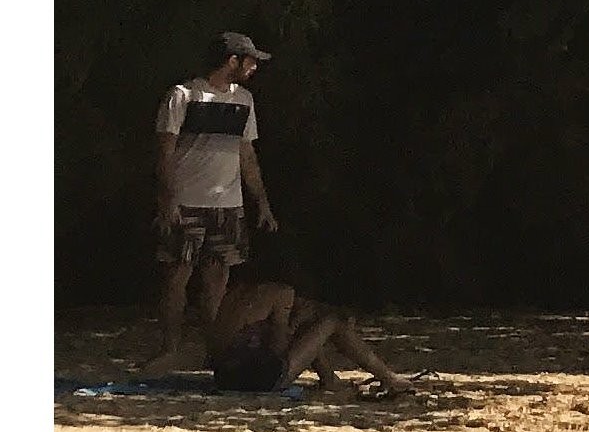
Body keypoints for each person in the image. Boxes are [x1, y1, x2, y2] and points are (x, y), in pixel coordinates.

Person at [153, 32, 279, 371]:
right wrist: (168, 201)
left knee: (217, 281)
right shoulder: (182, 96)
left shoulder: (244, 101)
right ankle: (171, 348)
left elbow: (246, 154)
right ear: (232, 61)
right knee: (178, 277)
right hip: (187, 201)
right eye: (249, 60)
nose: (254, 67)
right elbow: (165, 152)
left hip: (228, 204)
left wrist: (261, 203)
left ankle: (216, 349)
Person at [201, 271, 406, 402]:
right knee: (332, 323)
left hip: (223, 376)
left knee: (310, 330)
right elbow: (278, 350)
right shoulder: (282, 293)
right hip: (254, 378)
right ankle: (389, 378)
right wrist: (295, 328)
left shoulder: (238, 292)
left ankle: (329, 380)